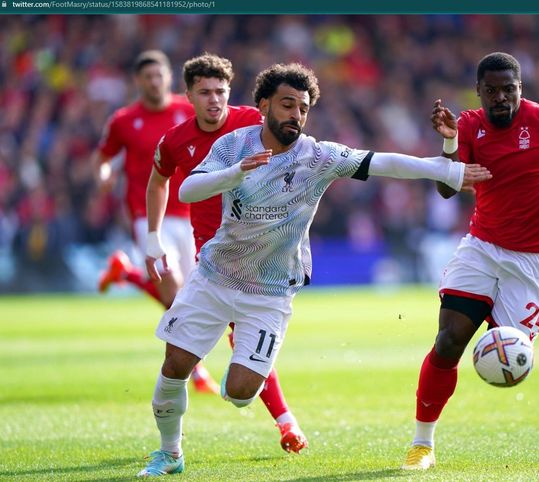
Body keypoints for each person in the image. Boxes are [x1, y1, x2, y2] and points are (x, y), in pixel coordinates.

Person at [136, 62, 492, 477]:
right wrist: (235, 172)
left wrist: (445, 168)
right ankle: (170, 453)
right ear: (265, 104)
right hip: (214, 276)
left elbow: (384, 163)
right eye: (288, 105)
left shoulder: (319, 156)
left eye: (303, 109)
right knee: (174, 366)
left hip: (269, 293)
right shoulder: (234, 146)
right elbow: (185, 189)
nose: (296, 116)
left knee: (239, 394)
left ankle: (247, 391)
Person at [400, 52, 539, 470]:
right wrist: (448, 142)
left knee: (510, 355)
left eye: (509, 90)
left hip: (533, 260)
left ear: (520, 90)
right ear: (478, 92)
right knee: (448, 343)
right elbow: (446, 190)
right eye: (492, 91)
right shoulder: (467, 126)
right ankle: (422, 444)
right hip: (483, 247)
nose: (501, 98)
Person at [144, 53, 307, 454]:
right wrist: (152, 235)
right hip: (211, 252)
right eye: (204, 92)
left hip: (259, 253)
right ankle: (280, 422)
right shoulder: (176, 140)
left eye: (220, 91)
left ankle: (282, 419)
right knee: (184, 356)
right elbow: (158, 182)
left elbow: (298, 158)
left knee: (243, 346)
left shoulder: (255, 121)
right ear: (188, 96)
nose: (214, 100)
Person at [92, 50, 219, 394]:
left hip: (193, 213)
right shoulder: (123, 120)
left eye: (159, 75)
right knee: (174, 288)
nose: (154, 82)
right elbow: (104, 157)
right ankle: (195, 369)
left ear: (168, 77)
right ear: (138, 81)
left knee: (189, 294)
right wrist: (104, 175)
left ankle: (127, 273)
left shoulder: (187, 109)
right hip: (150, 215)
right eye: (147, 77)